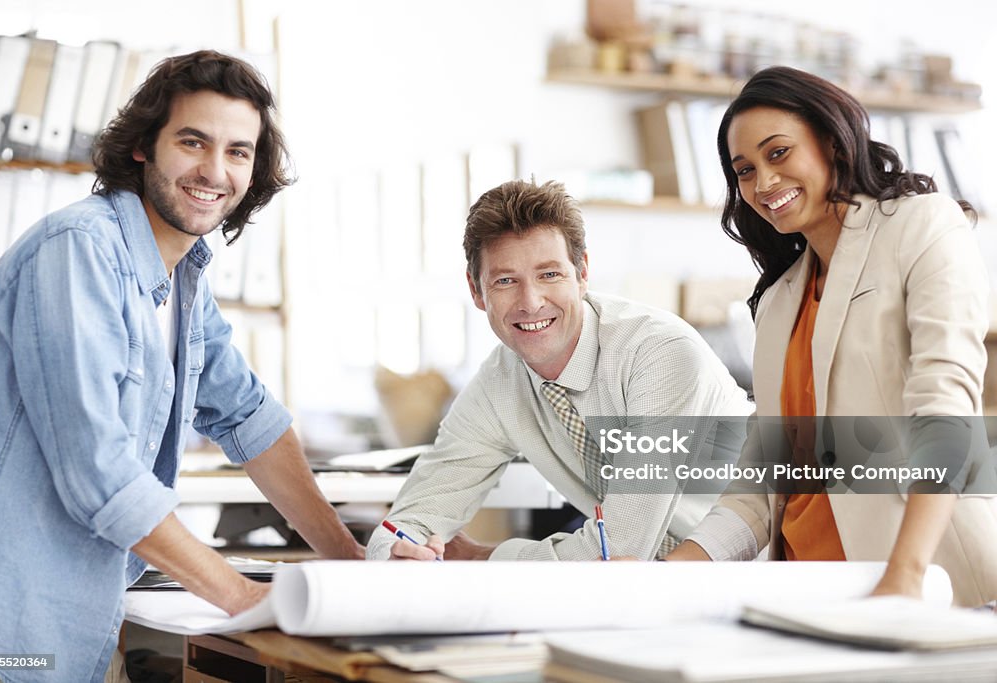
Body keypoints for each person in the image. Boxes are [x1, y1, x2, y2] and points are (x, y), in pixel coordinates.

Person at [0, 51, 363, 682]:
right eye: (193, 141)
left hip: (86, 622)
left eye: (238, 151)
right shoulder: (78, 252)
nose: (215, 170)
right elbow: (99, 475)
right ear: (142, 148)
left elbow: (249, 417)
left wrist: (350, 565)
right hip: (10, 637)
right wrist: (242, 597)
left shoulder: (180, 276)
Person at [667, 66, 997, 608]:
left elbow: (944, 408)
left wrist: (905, 577)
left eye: (778, 153)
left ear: (831, 141)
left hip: (923, 584)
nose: (763, 183)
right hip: (808, 593)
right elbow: (764, 476)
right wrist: (672, 569)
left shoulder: (922, 226)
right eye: (744, 170)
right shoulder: (778, 301)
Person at [366, 179, 752, 562]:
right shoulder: (498, 384)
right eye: (505, 281)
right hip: (648, 589)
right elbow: (407, 520)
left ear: (582, 273)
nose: (530, 302)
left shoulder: (659, 353)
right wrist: (399, 555)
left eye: (549, 274)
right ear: (476, 291)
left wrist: (484, 558)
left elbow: (622, 549)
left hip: (765, 570)